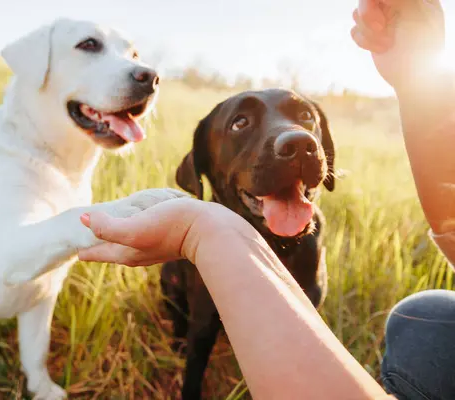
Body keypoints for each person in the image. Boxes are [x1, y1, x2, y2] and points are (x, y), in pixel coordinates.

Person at [77, 0, 455, 399]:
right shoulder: (201, 250)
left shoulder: (311, 244)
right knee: (197, 323)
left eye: (304, 120)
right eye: (240, 123)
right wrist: (415, 71)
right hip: (199, 298)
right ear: (204, 165)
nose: (295, 137)